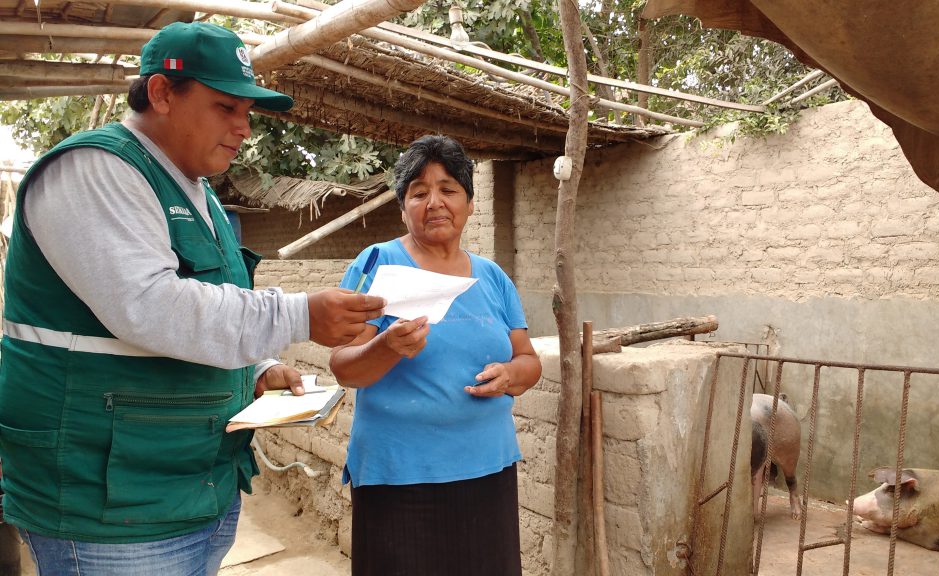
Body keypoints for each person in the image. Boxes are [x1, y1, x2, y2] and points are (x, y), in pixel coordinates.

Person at [0, 21, 385, 575]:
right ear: (161, 93)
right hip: (109, 504)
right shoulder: (95, 170)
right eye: (225, 106)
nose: (243, 127)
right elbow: (150, 306)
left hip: (190, 484)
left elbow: (212, 301)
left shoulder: (195, 191)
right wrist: (299, 313)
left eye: (246, 112)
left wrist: (257, 366)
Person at [330, 135, 542, 576]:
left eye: (448, 189)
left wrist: (510, 374)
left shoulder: (493, 277)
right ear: (402, 206)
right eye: (419, 192)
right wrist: (386, 347)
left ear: (468, 201)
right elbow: (343, 367)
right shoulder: (378, 264)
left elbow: (528, 361)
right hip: (401, 476)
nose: (435, 202)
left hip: (487, 469)